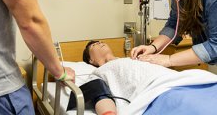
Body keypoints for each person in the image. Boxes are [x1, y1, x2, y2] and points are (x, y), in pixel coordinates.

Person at [82, 40, 217, 115]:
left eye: (100, 41)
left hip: (184, 80)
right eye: (94, 45)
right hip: (158, 93)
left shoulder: (134, 58)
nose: (100, 43)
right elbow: (100, 96)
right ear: (91, 60)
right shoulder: (98, 72)